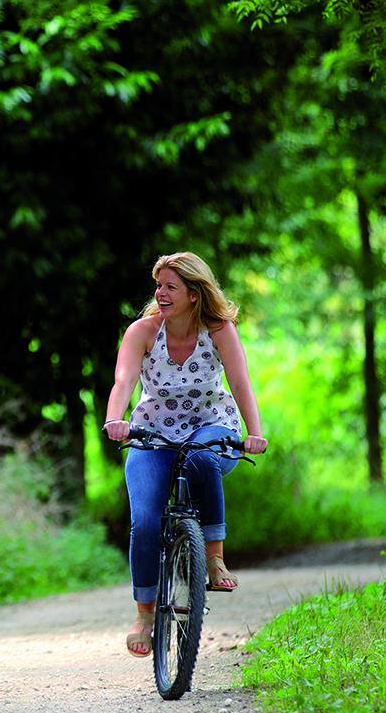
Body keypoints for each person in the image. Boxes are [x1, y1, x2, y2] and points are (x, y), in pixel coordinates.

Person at [102, 252, 268, 658]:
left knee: (199, 457)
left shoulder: (219, 330)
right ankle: (144, 615)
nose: (160, 293)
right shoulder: (142, 332)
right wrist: (114, 418)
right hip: (152, 431)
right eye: (158, 285)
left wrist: (255, 432)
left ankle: (214, 558)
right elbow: (123, 379)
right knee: (144, 520)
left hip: (211, 425)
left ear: (194, 294)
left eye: (170, 287)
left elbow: (240, 382)